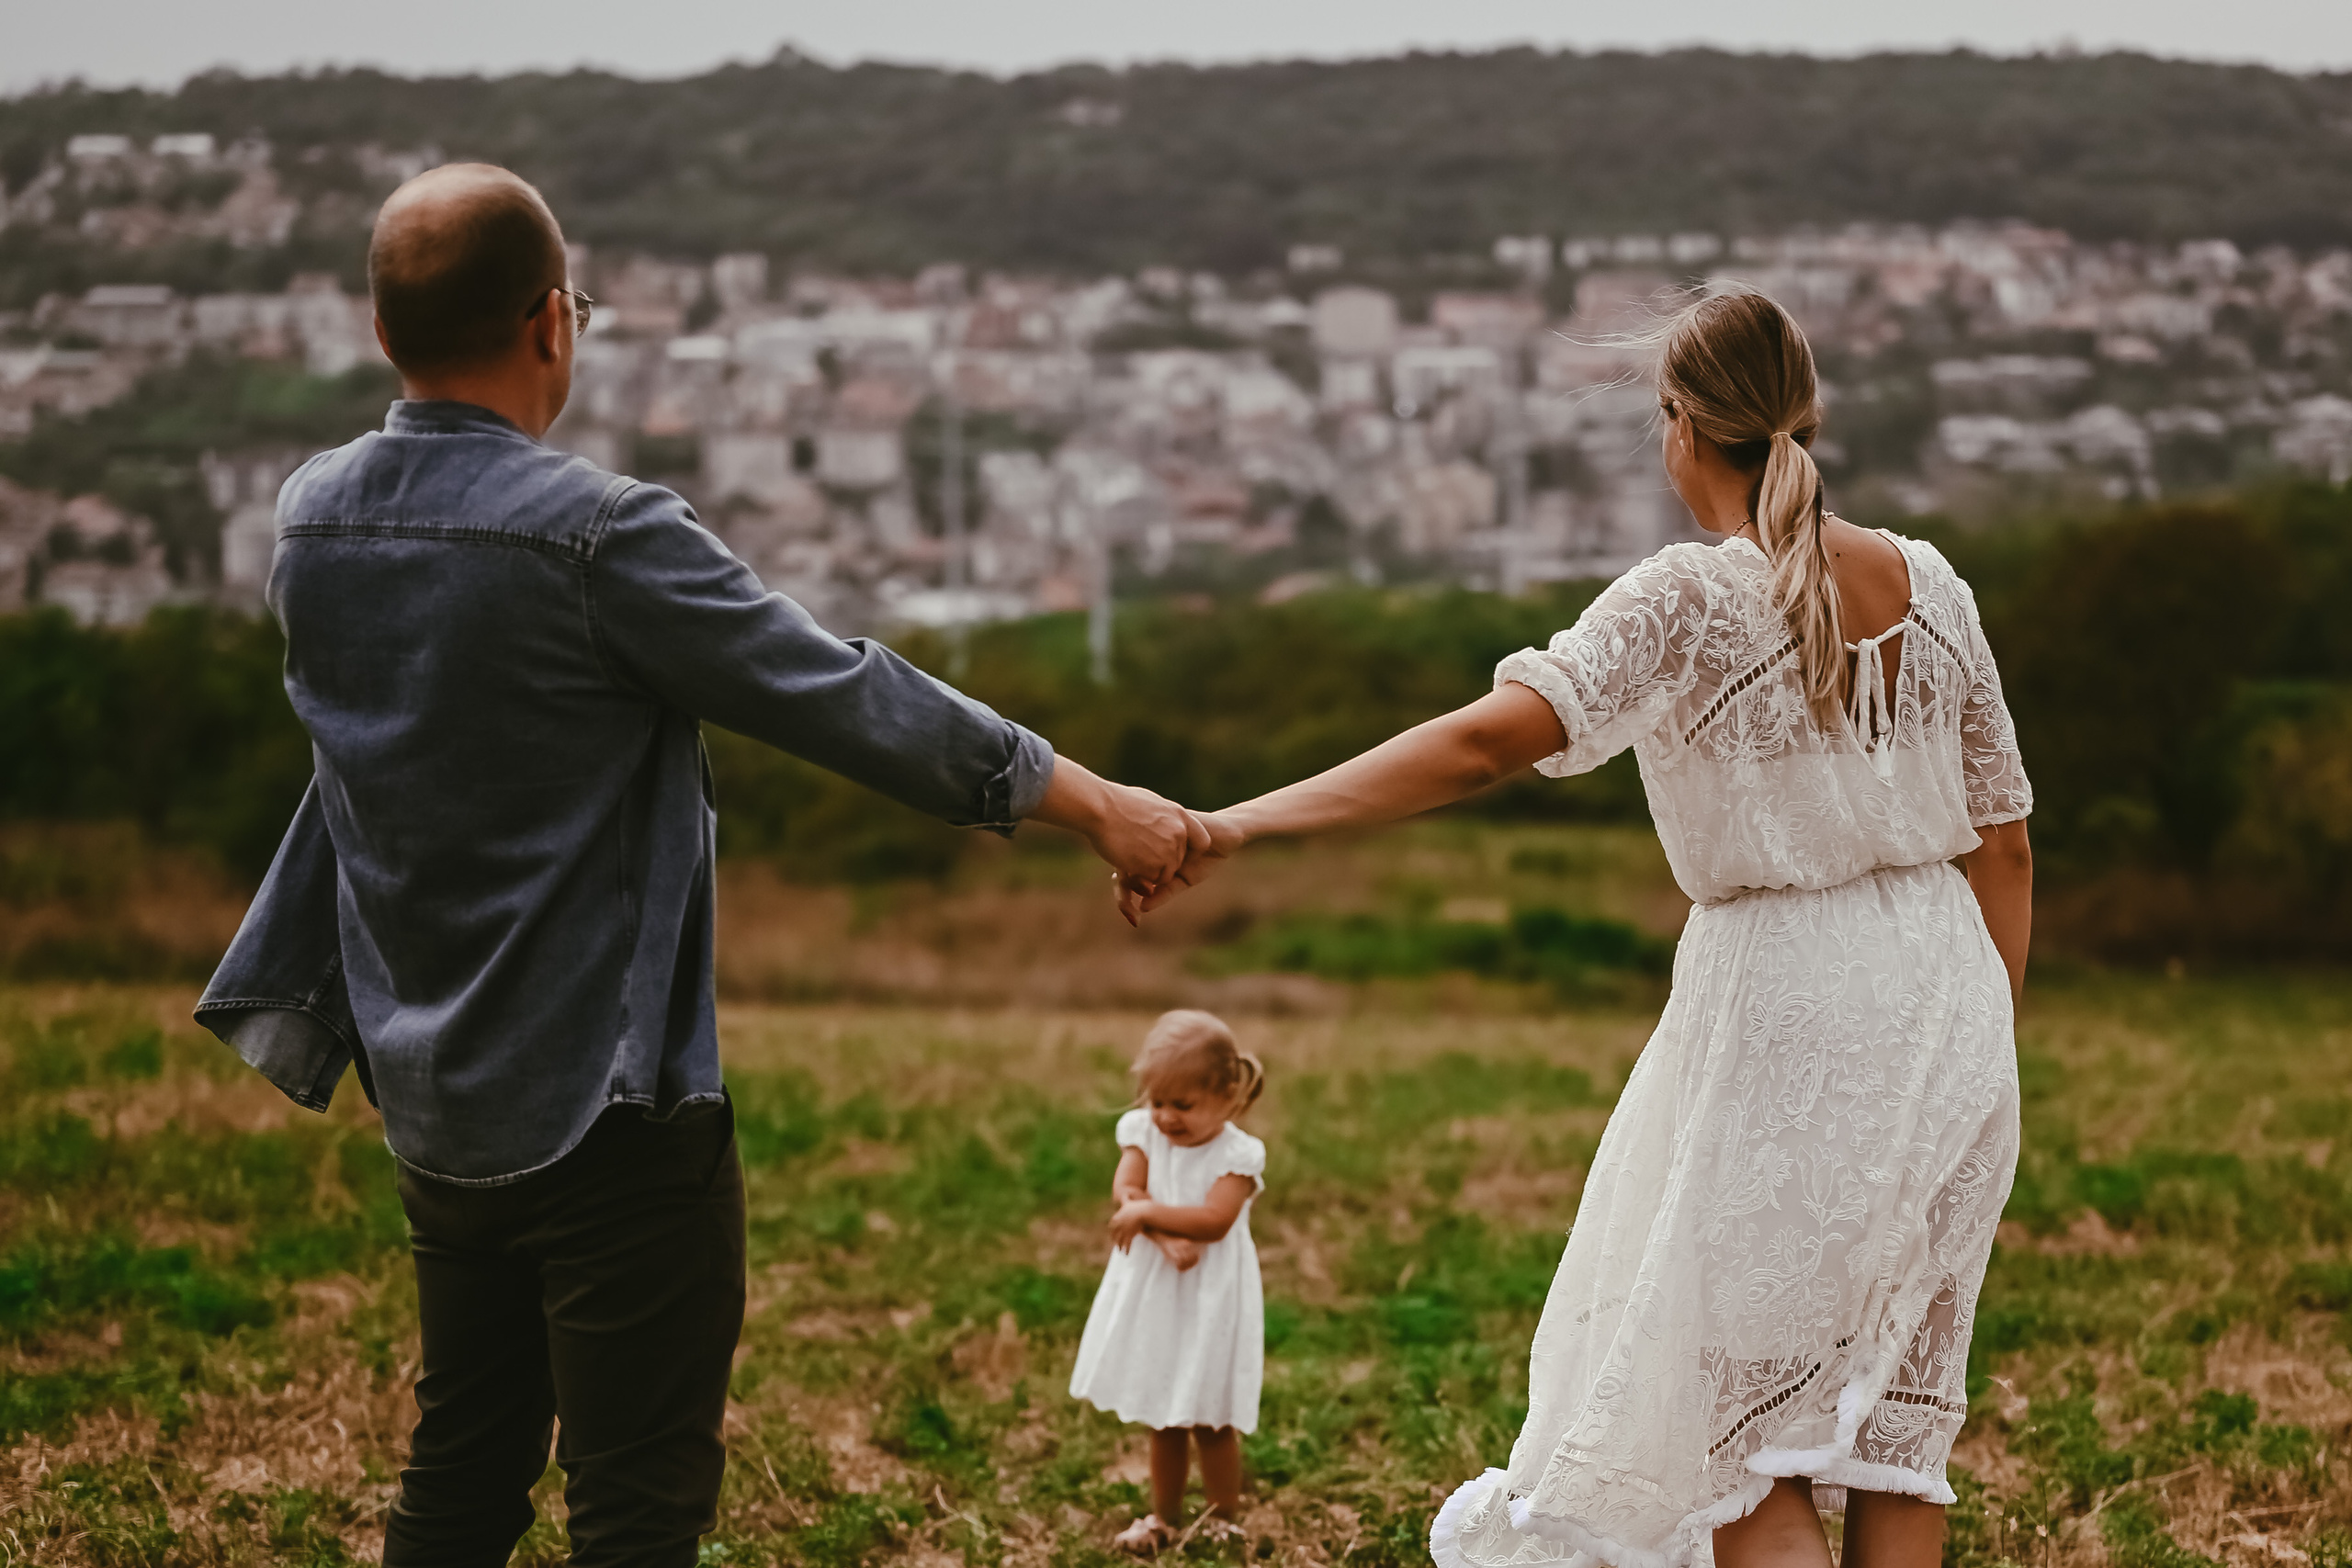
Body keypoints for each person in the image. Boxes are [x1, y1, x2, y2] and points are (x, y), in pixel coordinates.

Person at [194, 164, 1198, 1568]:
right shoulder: (598, 535)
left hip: (429, 1093)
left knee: (462, 1459)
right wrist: (1099, 805)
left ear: (382, 335)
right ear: (554, 323)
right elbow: (843, 692)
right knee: (639, 1502)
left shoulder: (309, 521)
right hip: (614, 1106)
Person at [1126, 288, 2034, 1568]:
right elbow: (2004, 837)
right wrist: (1980, 1039)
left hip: (1787, 1004)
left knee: (1731, 1434)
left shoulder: (1686, 597)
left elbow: (1485, 742)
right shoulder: (1933, 584)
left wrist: (1241, 823)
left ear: (1680, 426)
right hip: (1953, 1004)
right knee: (1899, 1428)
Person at [1068, 1010, 1270, 1556]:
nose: (1165, 1117)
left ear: (1227, 1096)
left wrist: (1148, 1217)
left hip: (1211, 1296)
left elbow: (1214, 1220)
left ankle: (1225, 1520)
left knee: (1211, 1416)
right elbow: (1127, 1192)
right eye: (1157, 1102)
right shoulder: (1142, 1134)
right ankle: (1164, 1519)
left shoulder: (1236, 1155)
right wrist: (1159, 1237)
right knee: (1164, 1411)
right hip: (1158, 1289)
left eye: (1184, 1105)